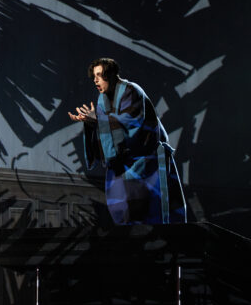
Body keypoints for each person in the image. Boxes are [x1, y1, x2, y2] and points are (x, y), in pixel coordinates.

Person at [68, 58, 186, 224]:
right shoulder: (102, 99)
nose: (95, 80)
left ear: (111, 75)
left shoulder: (132, 90)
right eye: (94, 76)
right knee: (123, 213)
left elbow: (131, 122)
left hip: (145, 162)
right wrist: (91, 122)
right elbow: (106, 127)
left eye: (99, 75)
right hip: (121, 164)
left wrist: (99, 120)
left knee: (150, 214)